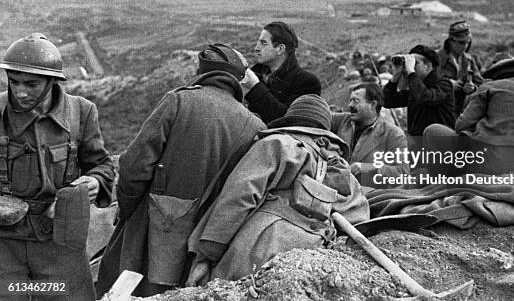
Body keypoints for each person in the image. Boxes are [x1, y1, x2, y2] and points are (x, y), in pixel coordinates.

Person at [96, 44, 266, 297]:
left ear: (200, 71)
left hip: (151, 228)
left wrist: (127, 207)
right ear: (239, 80)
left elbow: (134, 164)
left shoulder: (178, 100)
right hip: (208, 242)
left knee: (124, 288)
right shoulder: (255, 125)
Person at [186, 95, 369, 284]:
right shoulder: (339, 167)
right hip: (312, 257)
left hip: (262, 243)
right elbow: (359, 219)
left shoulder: (278, 144)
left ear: (291, 119)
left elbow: (239, 196)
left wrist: (209, 252)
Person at [0, 33, 115, 301]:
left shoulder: (81, 112)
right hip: (3, 242)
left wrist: (95, 182)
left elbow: (101, 165)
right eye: (14, 82)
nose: (20, 91)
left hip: (58, 239)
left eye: (31, 83)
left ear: (53, 81)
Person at [423, 53, 514, 176]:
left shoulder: (490, 88)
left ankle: (441, 186)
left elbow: (461, 125)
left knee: (433, 131)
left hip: (495, 162)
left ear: (494, 76)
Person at [241, 21, 321, 124]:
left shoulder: (307, 82)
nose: (256, 48)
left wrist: (255, 87)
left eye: (263, 43)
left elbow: (288, 119)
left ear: (280, 49)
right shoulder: (256, 74)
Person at [331, 83, 409, 186]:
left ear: (373, 105)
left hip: (369, 196)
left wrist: (369, 167)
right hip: (337, 189)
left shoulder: (394, 134)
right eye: (350, 100)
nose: (349, 105)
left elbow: (403, 172)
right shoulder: (343, 120)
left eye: (355, 101)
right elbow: (320, 116)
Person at [383, 45, 455, 145]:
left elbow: (425, 97)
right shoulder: (416, 87)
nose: (409, 68)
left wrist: (411, 73)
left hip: (441, 146)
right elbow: (387, 101)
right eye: (409, 64)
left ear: (428, 66)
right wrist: (395, 77)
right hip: (419, 145)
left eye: (414, 64)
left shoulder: (444, 84)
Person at [437, 20, 484, 116]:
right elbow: (430, 81)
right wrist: (448, 84)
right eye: (461, 43)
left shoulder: (469, 59)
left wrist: (473, 87)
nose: (465, 46)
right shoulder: (438, 58)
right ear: (451, 41)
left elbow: (480, 83)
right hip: (442, 110)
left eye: (468, 42)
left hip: (462, 110)